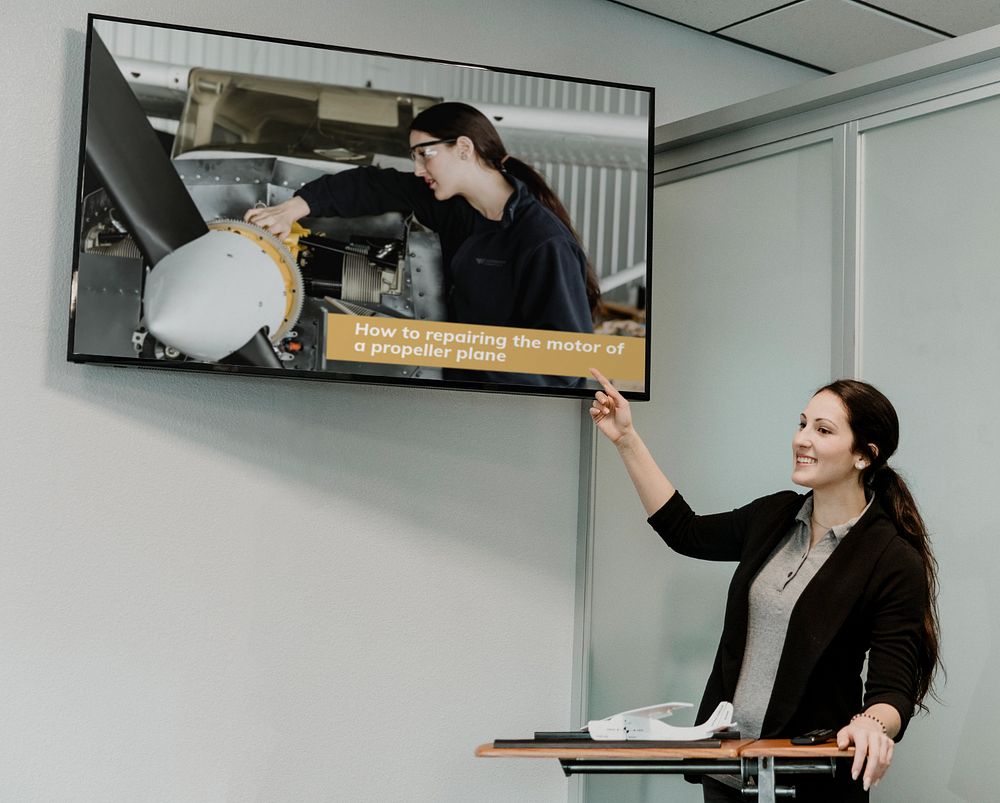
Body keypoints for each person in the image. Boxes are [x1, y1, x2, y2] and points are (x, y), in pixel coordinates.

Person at [588, 368, 940, 802]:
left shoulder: (890, 558)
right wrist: (626, 439)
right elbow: (686, 531)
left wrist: (871, 724)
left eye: (823, 430)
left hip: (810, 779)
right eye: (802, 423)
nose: (802, 439)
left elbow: (892, 690)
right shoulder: (773, 517)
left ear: (864, 455)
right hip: (728, 774)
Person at [244, 101, 600, 387]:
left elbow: (565, 362)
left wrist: (455, 358)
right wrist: (293, 209)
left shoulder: (542, 242)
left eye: (424, 154)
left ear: (464, 148)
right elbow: (372, 185)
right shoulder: (454, 205)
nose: (417, 169)